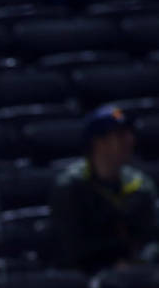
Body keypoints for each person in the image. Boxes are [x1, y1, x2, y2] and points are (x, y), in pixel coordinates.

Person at [50, 105, 159, 275]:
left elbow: (152, 236)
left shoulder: (141, 185)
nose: (129, 140)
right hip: (88, 274)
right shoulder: (71, 187)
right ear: (98, 142)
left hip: (140, 272)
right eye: (120, 135)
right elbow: (71, 245)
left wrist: (141, 261)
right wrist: (111, 264)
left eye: (129, 134)